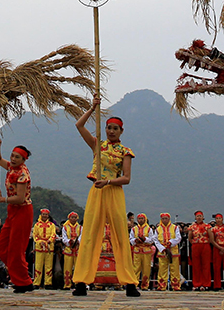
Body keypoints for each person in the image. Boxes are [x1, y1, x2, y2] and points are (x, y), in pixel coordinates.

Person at [70, 96, 140, 297]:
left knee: (120, 235)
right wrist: (92, 108)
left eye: (115, 128)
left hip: (114, 192)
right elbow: (79, 125)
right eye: (108, 127)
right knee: (90, 234)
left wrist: (108, 182)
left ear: (121, 131)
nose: (110, 131)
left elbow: (126, 178)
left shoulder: (126, 152)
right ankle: (82, 282)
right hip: (97, 192)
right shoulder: (97, 145)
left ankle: (130, 283)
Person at [0, 144, 34, 293]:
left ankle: (23, 282)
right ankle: (21, 275)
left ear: (24, 159)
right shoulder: (11, 167)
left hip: (23, 211)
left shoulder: (23, 174)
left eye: (17, 157)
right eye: (12, 156)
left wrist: (2, 199)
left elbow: (20, 198)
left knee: (16, 250)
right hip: (12, 212)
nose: (13, 159)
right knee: (1, 247)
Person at [154, 212, 181, 291]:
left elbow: (178, 238)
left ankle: (176, 285)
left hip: (173, 251)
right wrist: (162, 248)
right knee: (162, 269)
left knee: (174, 269)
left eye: (166, 218)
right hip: (162, 251)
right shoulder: (158, 229)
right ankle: (162, 285)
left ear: (169, 219)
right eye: (163, 218)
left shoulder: (175, 228)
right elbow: (155, 240)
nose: (164, 220)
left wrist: (171, 243)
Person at [31, 208, 57, 289]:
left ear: (48, 216)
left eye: (46, 215)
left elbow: (53, 234)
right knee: (38, 266)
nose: (44, 216)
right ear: (41, 215)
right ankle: (36, 283)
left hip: (49, 248)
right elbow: (35, 235)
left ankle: (48, 283)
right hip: (39, 248)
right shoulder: (37, 225)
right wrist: (40, 242)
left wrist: (49, 240)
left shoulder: (52, 225)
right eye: (43, 214)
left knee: (49, 266)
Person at [129, 213, 156, 290]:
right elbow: (130, 239)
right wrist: (135, 240)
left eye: (142, 219)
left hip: (146, 251)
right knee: (136, 268)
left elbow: (152, 240)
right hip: (137, 250)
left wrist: (145, 239)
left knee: (146, 269)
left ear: (145, 219)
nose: (140, 220)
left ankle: (145, 285)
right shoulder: (134, 229)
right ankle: (135, 284)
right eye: (139, 219)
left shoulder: (149, 229)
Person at [187, 211, 212, 290]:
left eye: (200, 216)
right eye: (197, 216)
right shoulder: (192, 227)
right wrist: (195, 243)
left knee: (206, 265)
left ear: (203, 217)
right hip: (195, 246)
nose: (199, 218)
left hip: (205, 245)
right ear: (195, 218)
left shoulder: (207, 226)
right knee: (196, 265)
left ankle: (206, 284)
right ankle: (197, 283)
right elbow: (190, 237)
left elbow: (211, 237)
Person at [210, 214, 224, 291]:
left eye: (220, 218)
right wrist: (219, 248)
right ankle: (217, 285)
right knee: (216, 268)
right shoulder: (213, 229)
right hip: (217, 248)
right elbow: (212, 240)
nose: (218, 220)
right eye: (217, 218)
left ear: (222, 219)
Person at [61, 211, 82, 289]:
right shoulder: (65, 227)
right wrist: (69, 241)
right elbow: (64, 238)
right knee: (67, 268)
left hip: (77, 250)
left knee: (77, 268)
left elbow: (81, 236)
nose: (73, 219)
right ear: (69, 218)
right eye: (72, 217)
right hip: (68, 250)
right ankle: (67, 284)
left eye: (75, 217)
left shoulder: (80, 227)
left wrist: (77, 241)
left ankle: (78, 284)